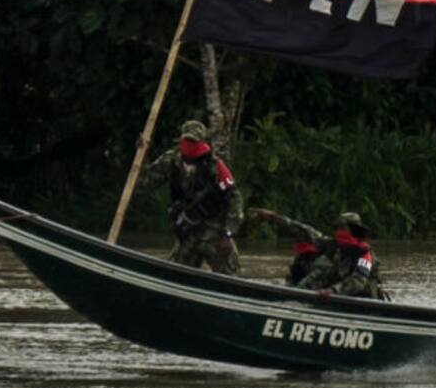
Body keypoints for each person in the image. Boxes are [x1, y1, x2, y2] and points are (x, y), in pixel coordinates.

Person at [141, 119, 242, 274]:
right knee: (173, 277)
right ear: (181, 139)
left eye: (193, 141)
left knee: (233, 280)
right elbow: (146, 182)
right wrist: (142, 155)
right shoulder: (172, 160)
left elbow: (234, 198)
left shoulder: (214, 165)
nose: (189, 145)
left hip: (215, 233)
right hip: (187, 232)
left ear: (201, 142)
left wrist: (228, 233)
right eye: (187, 140)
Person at [299, 211, 388, 300]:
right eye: (338, 228)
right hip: (337, 294)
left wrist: (333, 291)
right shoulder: (335, 247)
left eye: (342, 228)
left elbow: (358, 281)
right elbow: (313, 235)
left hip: (363, 299)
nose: (339, 232)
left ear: (354, 230)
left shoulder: (365, 253)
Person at [245, 207, 334, 287]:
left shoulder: (319, 239)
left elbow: (291, 224)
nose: (299, 239)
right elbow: (289, 224)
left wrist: (271, 216)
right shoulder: (301, 255)